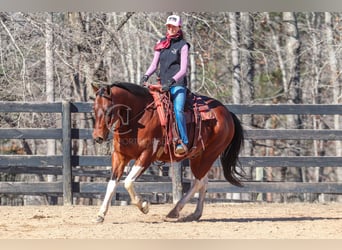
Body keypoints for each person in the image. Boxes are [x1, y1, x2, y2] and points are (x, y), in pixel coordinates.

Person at [140, 14, 190, 155]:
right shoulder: (161, 43)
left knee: (178, 110)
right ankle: (158, 142)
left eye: (173, 27)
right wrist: (146, 75)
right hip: (161, 85)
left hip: (177, 85)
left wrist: (172, 81)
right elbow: (154, 64)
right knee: (151, 110)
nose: (170, 29)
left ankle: (183, 142)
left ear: (179, 27)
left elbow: (183, 69)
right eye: (168, 26)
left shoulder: (183, 46)